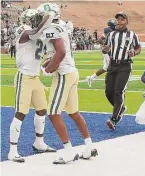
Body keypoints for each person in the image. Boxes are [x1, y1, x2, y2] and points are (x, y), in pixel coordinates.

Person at [37, 3, 97, 164]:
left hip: (63, 74)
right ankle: (89, 146)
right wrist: (49, 62)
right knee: (73, 113)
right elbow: (60, 51)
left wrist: (49, 68)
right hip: (72, 72)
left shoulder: (52, 28)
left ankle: (69, 151)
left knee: (53, 113)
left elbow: (61, 52)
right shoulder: (61, 26)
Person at [8, 9, 56, 163]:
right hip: (24, 76)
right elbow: (35, 33)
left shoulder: (39, 32)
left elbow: (47, 46)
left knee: (42, 110)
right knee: (21, 113)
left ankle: (39, 142)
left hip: (36, 77)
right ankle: (12, 150)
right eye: (36, 18)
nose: (37, 20)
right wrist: (48, 19)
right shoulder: (24, 29)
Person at [102, 11, 141, 130]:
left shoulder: (132, 34)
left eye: (122, 19)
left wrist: (133, 53)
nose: (119, 21)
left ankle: (114, 118)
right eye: (117, 19)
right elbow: (105, 49)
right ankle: (121, 108)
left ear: (127, 22)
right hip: (112, 65)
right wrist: (105, 49)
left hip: (124, 66)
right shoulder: (111, 35)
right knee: (109, 92)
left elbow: (138, 48)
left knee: (119, 92)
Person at [86, 18, 116, 87]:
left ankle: (91, 78)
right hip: (107, 51)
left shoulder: (113, 30)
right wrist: (105, 45)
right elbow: (100, 40)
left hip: (110, 51)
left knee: (105, 68)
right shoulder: (108, 30)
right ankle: (111, 82)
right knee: (111, 67)